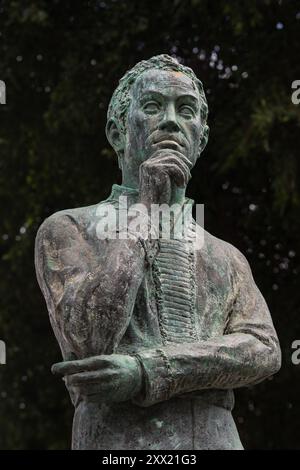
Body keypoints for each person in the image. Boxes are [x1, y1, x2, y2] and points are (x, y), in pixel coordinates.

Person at [35, 55, 281, 450]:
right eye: (152, 107)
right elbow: (92, 340)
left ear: (199, 139)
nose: (170, 121)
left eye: (186, 111)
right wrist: (148, 211)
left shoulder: (227, 256)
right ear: (117, 132)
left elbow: (263, 349)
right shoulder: (70, 228)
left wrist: (147, 370)